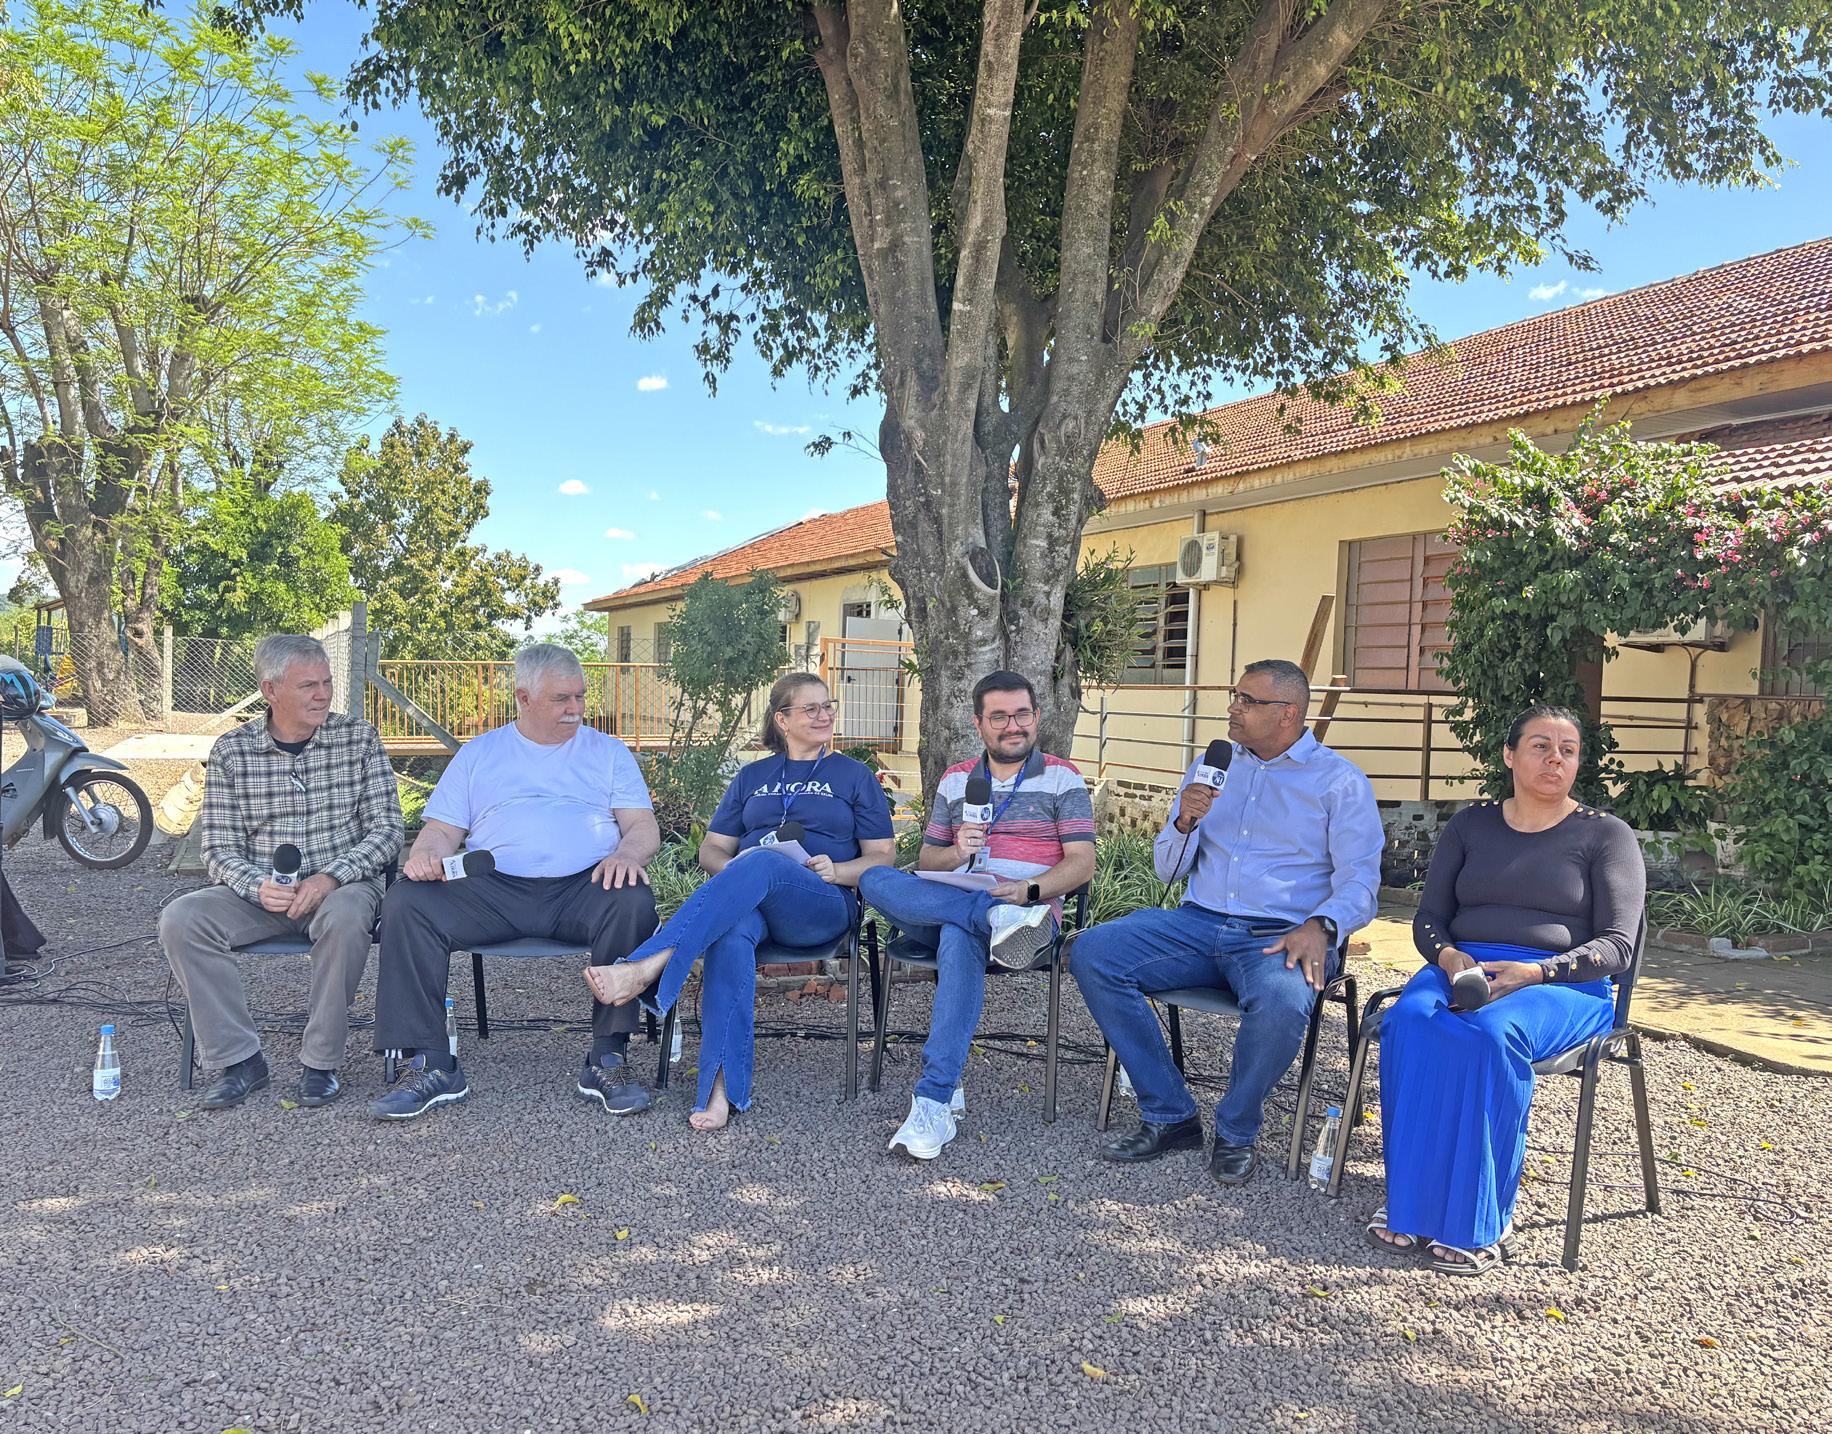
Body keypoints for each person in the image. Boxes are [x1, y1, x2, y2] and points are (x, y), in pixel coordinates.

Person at [1069, 658, 1382, 1186]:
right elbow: (1168, 869)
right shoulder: (1210, 767)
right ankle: (1170, 1114)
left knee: (1283, 1000)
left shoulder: (1339, 782)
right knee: (1093, 951)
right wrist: (1184, 820)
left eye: (1247, 701)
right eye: (1234, 697)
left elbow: (1362, 882)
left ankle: (1236, 1130)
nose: (1233, 710)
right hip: (1197, 924)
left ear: (1288, 713)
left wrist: (1323, 926)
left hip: (1282, 935)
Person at [1366, 705, 1644, 1275]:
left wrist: (1535, 973)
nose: (1555, 759)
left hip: (1564, 982)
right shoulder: (1471, 825)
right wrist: (1449, 957)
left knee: (1492, 1033)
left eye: (1568, 750)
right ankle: (1410, 1201)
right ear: (1510, 755)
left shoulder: (1605, 835)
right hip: (1464, 964)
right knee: (1409, 1021)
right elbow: (1429, 918)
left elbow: (1618, 945)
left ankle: (1480, 1221)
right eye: (1541, 746)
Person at [585, 673, 895, 1129]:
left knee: (763, 861)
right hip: (752, 903)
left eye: (828, 706)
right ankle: (720, 1090)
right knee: (731, 933)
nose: (824, 715)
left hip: (823, 901)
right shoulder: (752, 776)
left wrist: (839, 871)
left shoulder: (854, 776)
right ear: (782, 720)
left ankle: (648, 965)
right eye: (810, 708)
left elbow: (883, 855)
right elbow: (712, 849)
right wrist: (736, 874)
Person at [368, 643, 660, 1121]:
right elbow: (441, 831)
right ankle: (430, 1063)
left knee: (631, 897)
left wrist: (627, 854)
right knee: (407, 901)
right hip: (494, 890)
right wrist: (426, 856)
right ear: (523, 698)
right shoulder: (479, 754)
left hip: (584, 889)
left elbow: (642, 827)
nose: (575, 709)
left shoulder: (608, 752)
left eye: (580, 697)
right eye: (561, 699)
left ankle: (608, 1057)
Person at [858, 670, 1096, 1161]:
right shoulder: (956, 779)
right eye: (1000, 717)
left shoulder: (1062, 776)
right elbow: (928, 860)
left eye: (1022, 714)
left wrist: (1028, 891)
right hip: (968, 900)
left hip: (1031, 912)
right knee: (873, 878)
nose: (1013, 726)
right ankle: (990, 916)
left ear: (1037, 716)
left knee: (954, 934)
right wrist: (957, 852)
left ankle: (934, 1100)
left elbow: (1081, 863)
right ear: (978, 723)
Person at [159, 634, 402, 1109]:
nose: (323, 695)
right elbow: (217, 848)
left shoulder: (358, 738)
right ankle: (240, 1060)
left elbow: (388, 831)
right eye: (308, 685)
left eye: (327, 683)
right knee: (181, 919)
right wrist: (257, 886)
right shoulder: (232, 751)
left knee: (346, 917)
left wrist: (331, 877)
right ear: (270, 690)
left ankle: (321, 1062)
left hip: (342, 887)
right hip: (262, 893)